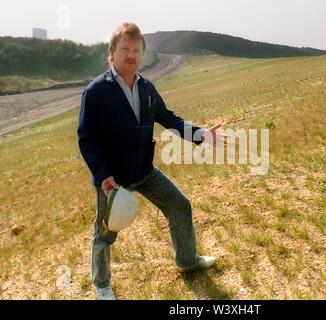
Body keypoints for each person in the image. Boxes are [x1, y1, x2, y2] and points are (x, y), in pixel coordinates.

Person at [77, 22, 228, 300]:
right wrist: (102, 175)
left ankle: (187, 260)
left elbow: (168, 118)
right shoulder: (96, 91)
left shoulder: (146, 87)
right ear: (112, 52)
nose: (131, 55)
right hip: (113, 178)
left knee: (180, 205)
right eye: (125, 49)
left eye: (136, 49)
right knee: (105, 233)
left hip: (144, 171)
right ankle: (102, 285)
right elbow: (86, 137)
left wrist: (201, 134)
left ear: (142, 54)